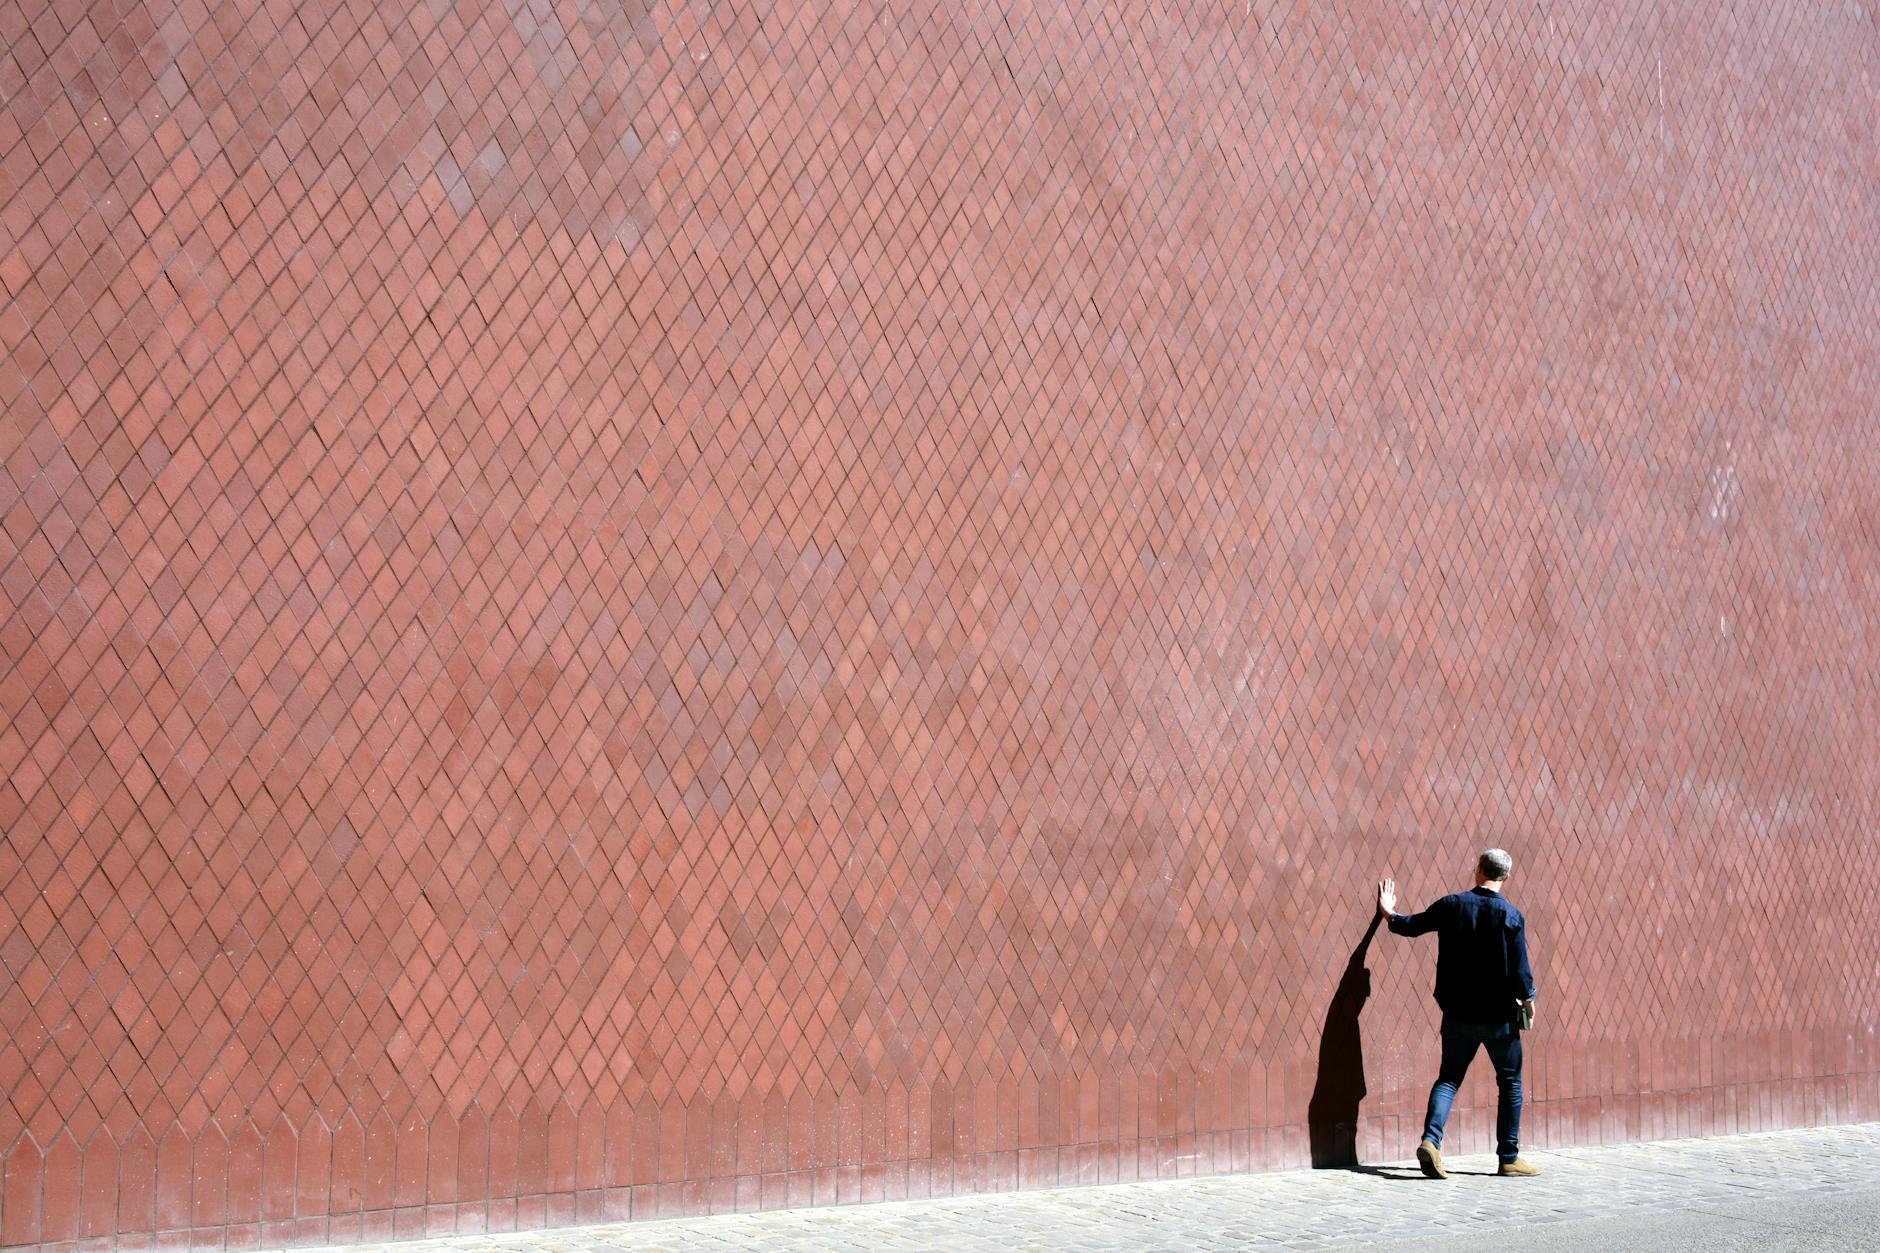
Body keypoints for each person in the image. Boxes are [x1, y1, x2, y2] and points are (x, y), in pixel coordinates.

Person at [1377, 849, 1540, 1178]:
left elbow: (1412, 926)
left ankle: (1431, 1141)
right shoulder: (1512, 917)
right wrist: (1529, 1001)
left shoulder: (1452, 905)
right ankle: (1508, 1157)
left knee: (1449, 1079)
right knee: (1510, 1083)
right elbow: (1521, 974)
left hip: (1458, 1014)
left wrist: (1389, 913)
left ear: (1478, 870)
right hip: (1499, 1019)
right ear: (1506, 878)